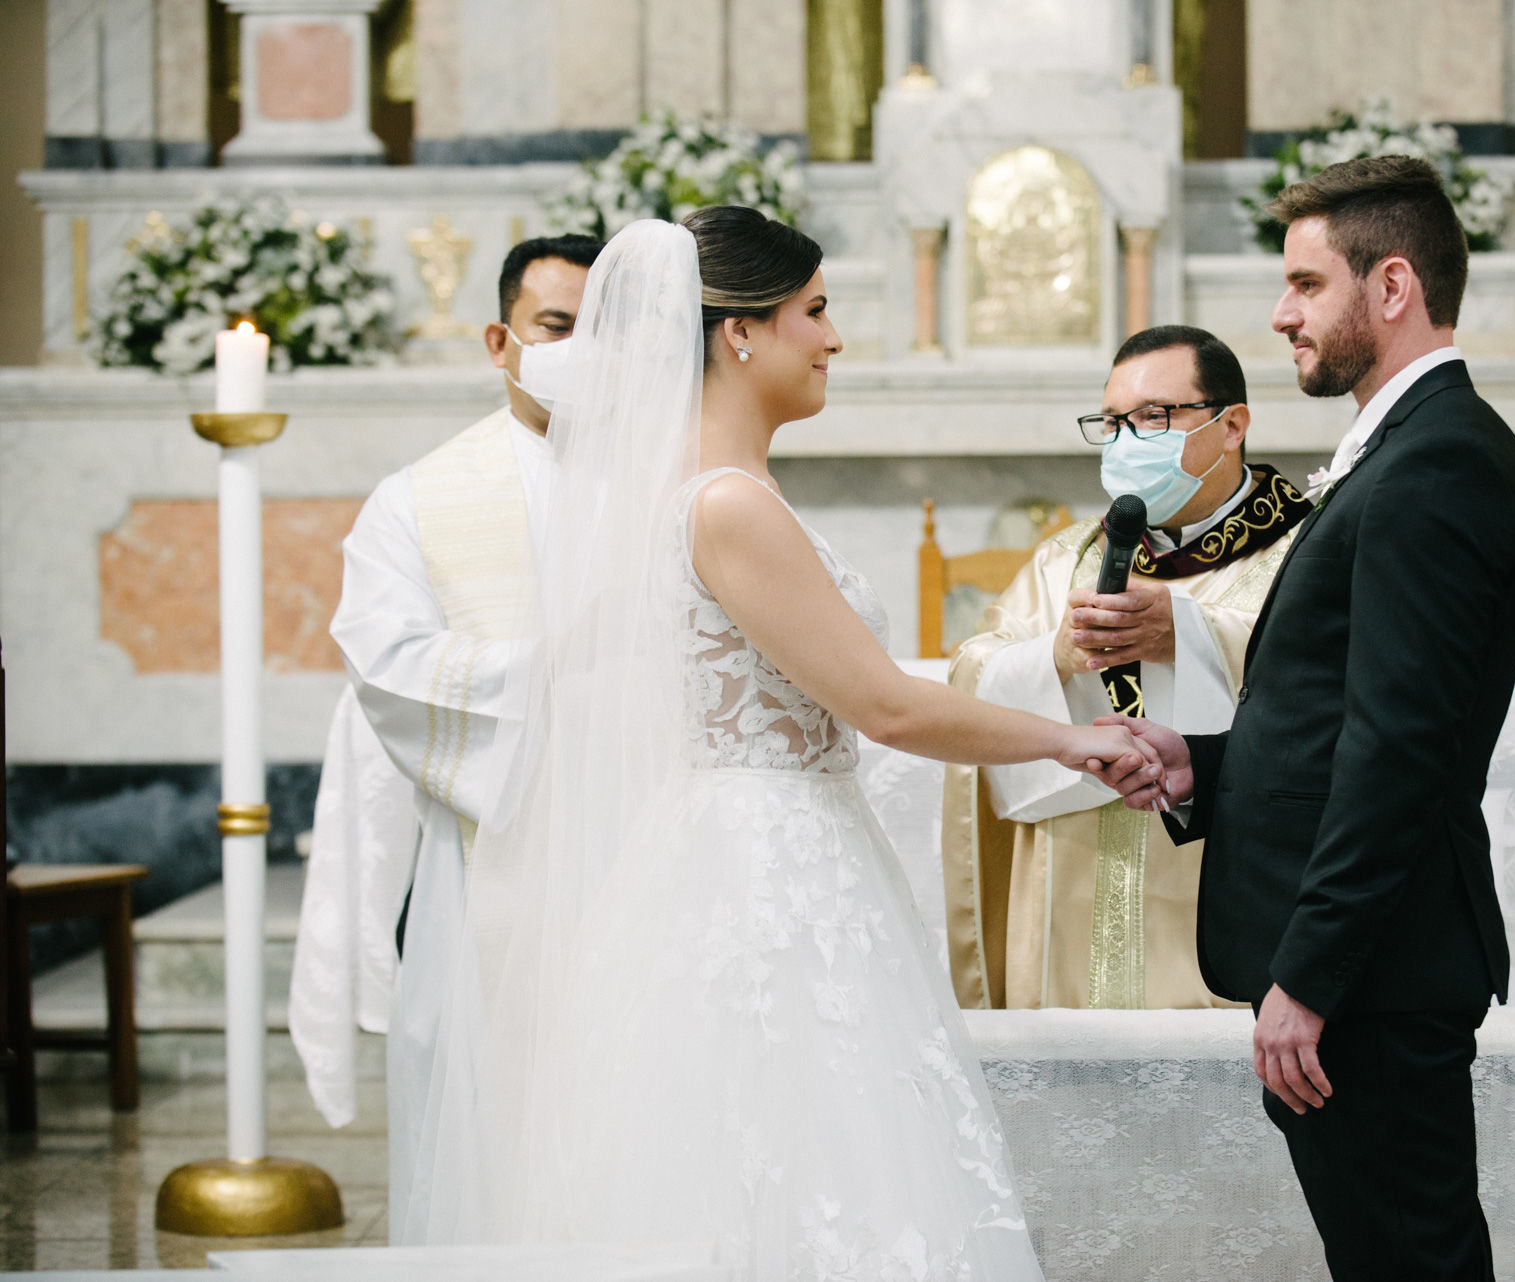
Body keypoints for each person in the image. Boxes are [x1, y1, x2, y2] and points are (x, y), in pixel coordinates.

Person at [402, 209, 1158, 1273]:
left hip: (760, 846)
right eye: (815, 310)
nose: (834, 338)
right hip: (767, 873)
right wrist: (1078, 743)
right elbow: (885, 706)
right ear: (738, 333)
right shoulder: (728, 506)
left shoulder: (706, 494)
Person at [1099, 155, 1515, 1281]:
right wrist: (1200, 764)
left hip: (1373, 975)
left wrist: (1312, 978)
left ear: (1391, 286)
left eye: (1305, 284)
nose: (1280, 313)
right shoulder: (1399, 449)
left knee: (1412, 1258)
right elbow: (1339, 711)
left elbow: (1399, 752)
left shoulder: (1438, 461)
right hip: (1368, 967)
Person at [323, 233, 604, 1228]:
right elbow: (388, 666)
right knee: (497, 1127)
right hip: (492, 852)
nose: (583, 353)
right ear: (501, 339)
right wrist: (572, 680)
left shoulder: (684, 482)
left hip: (653, 842)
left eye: (604, 332)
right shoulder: (417, 501)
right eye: (557, 328)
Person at [944, 325, 1311, 1011]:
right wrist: (1052, 660)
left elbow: (1337, 682)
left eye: (1154, 417)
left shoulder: (1306, 546)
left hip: (1223, 910)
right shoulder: (1067, 559)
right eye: (1113, 423)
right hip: (1069, 906)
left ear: (1232, 425)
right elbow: (973, 672)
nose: (1126, 441)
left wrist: (1191, 635)